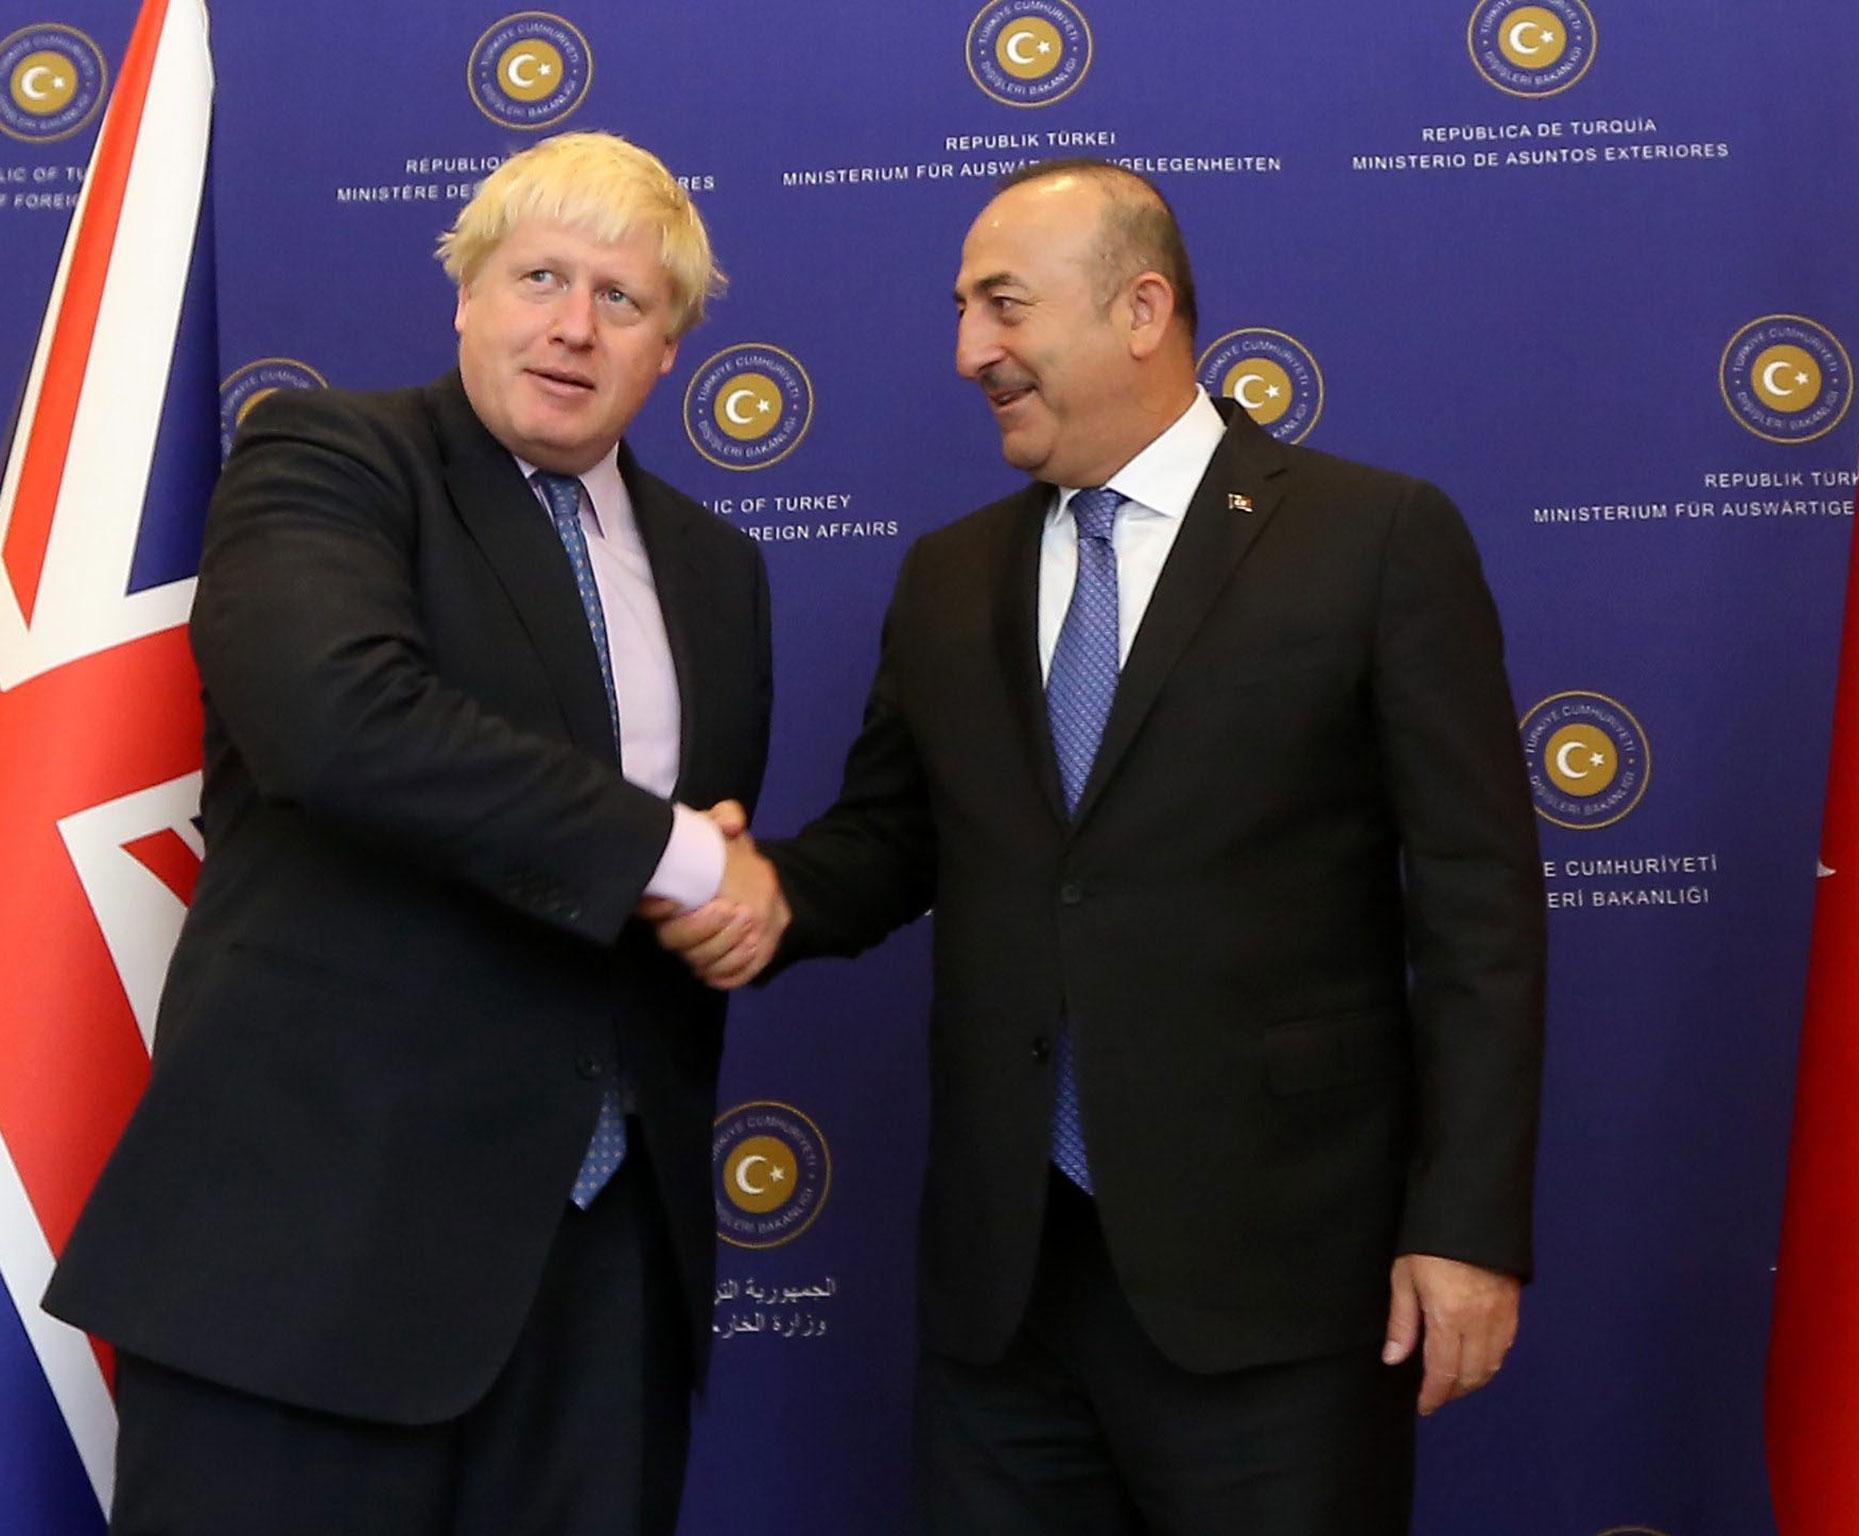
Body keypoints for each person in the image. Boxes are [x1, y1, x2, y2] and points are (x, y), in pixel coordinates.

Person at [658, 159, 1545, 1533]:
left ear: (1142, 309)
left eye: (1002, 305)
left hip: (1279, 1292)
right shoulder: (949, 575)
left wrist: (1469, 1223)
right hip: (1006, 1300)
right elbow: (894, 843)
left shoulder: (1372, 540)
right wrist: (760, 891)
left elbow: (1480, 907)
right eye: (961, 310)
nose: (968, 352)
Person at [44, 131, 777, 1536]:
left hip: (602, 1286)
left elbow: (681, 887)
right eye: (539, 277)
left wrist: (740, 895)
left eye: (622, 300)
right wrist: (686, 858)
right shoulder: (331, 459)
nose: (573, 325)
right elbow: (340, 723)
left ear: (671, 347)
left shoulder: (718, 570)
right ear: (464, 296)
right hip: (309, 1268)